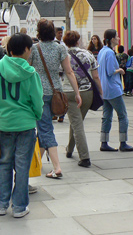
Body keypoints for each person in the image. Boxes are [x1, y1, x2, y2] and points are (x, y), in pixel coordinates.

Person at [0, 33, 43, 218]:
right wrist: (37, 115)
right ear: (27, 49)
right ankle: (19, 207)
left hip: (6, 123)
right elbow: (37, 99)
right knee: (22, 166)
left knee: (4, 163)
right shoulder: (30, 72)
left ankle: (1, 204)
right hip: (26, 123)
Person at [29, 19, 82, 179]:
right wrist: (77, 92)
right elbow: (69, 71)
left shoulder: (34, 48)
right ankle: (35, 161)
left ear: (39, 32)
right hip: (56, 92)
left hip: (39, 92)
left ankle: (56, 167)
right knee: (43, 127)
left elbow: (28, 69)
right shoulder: (60, 48)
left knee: (45, 129)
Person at [62, 30, 102, 167]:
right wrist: (101, 92)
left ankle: (84, 157)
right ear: (78, 41)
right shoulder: (88, 54)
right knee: (77, 122)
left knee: (76, 123)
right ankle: (69, 149)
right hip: (87, 92)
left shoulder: (63, 55)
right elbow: (95, 76)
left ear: (65, 42)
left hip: (70, 92)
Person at [98, 29, 133, 152]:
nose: (119, 38)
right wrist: (119, 70)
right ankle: (123, 142)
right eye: (117, 37)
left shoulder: (102, 51)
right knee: (123, 115)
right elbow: (110, 71)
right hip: (113, 89)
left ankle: (104, 142)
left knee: (107, 116)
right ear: (112, 39)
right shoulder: (109, 53)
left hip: (104, 89)